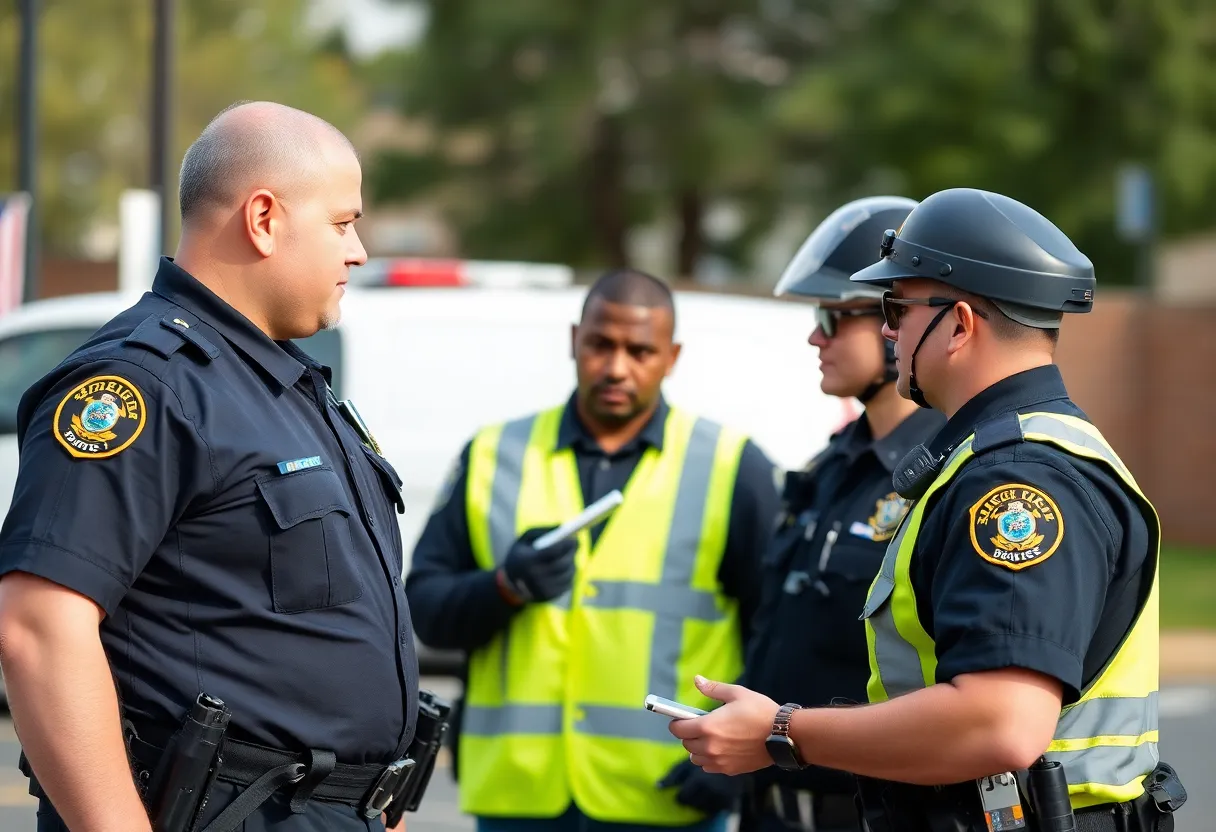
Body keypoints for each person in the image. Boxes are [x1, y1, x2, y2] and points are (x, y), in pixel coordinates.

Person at [666, 187, 1186, 831]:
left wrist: (783, 732)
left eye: (897, 306)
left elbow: (1001, 723)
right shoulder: (997, 457)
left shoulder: (1018, 480)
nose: (888, 328)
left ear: (960, 324)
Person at [0, 101, 420, 831]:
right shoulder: (146, 386)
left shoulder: (283, 384)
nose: (357, 250)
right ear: (264, 218)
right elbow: (39, 627)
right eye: (342, 223)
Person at [404, 268, 781, 832]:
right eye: (600, 345)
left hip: (670, 792)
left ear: (672, 357)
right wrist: (504, 587)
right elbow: (423, 610)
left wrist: (745, 761)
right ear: (573, 339)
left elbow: (775, 630)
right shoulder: (492, 454)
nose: (616, 367)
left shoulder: (732, 466)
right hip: (520, 795)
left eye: (640, 350)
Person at [730, 196, 945, 832]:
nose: (814, 335)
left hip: (866, 813)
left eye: (832, 316)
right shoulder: (830, 469)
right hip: (771, 808)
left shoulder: (947, 476)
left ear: (890, 320)